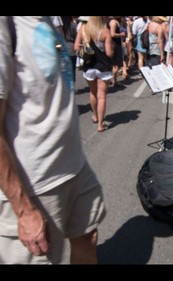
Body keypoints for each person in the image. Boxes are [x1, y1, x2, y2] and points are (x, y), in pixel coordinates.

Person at [0, 16, 106, 264]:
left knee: (87, 238)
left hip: (74, 167)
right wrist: (24, 210)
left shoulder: (45, 18)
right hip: (35, 185)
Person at [74, 16, 114, 132]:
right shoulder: (105, 32)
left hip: (89, 65)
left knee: (92, 92)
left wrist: (85, 47)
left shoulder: (83, 29)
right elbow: (109, 53)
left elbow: (76, 47)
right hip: (103, 66)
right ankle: (100, 125)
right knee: (102, 96)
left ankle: (95, 116)